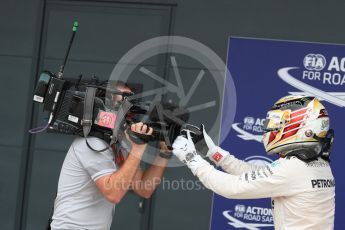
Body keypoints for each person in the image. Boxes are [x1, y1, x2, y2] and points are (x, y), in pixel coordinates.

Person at [172, 95, 335, 230]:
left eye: (278, 123)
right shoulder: (317, 163)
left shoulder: (294, 168)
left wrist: (191, 158)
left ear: (301, 126)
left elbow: (231, 187)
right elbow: (254, 174)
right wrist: (213, 152)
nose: (271, 128)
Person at [51, 82, 171, 230]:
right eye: (122, 103)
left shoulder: (119, 145)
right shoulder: (92, 143)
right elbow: (113, 194)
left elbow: (144, 188)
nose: (128, 111)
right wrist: (138, 148)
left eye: (131, 105)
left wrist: (164, 153)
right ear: (105, 105)